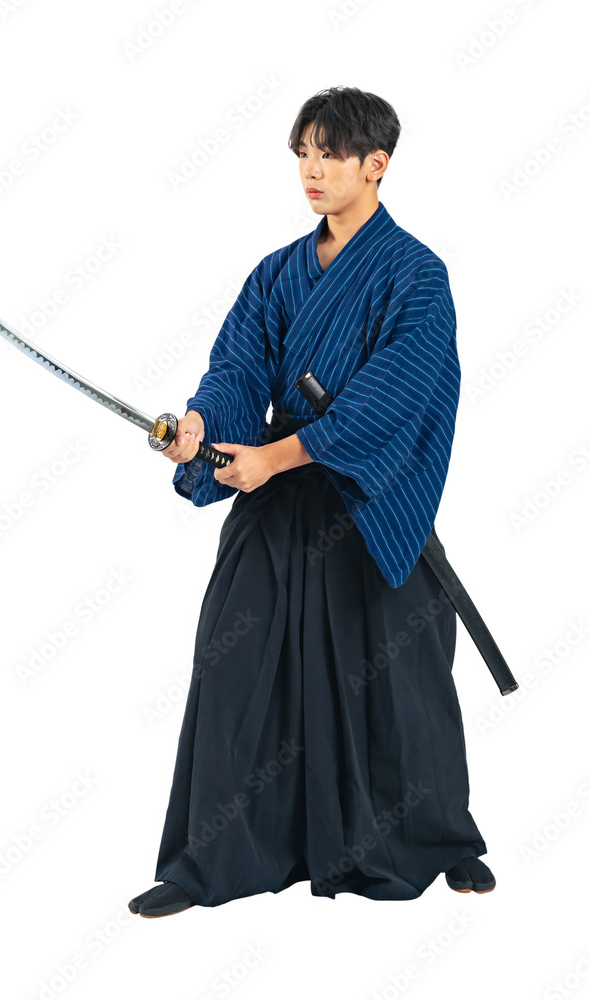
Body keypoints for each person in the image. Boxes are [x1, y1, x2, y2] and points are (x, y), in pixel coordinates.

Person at [128, 86, 495, 919]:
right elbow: (236, 370)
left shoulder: (416, 274)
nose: (312, 170)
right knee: (237, 669)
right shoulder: (277, 273)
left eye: (330, 154)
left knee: (400, 683)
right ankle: (213, 858)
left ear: (377, 163)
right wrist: (200, 427)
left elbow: (395, 394)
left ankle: (438, 840)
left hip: (373, 502)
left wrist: (280, 454)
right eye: (303, 153)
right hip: (276, 500)